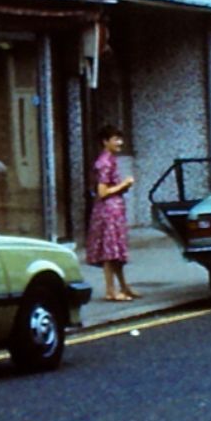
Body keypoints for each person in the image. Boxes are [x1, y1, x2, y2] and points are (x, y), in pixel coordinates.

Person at [87, 126, 138, 301]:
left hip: (114, 211)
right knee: (109, 253)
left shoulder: (110, 160)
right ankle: (110, 290)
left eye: (120, 139)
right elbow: (102, 191)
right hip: (108, 211)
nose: (120, 143)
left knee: (116, 252)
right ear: (105, 142)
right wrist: (124, 184)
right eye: (116, 139)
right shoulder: (104, 162)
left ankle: (124, 286)